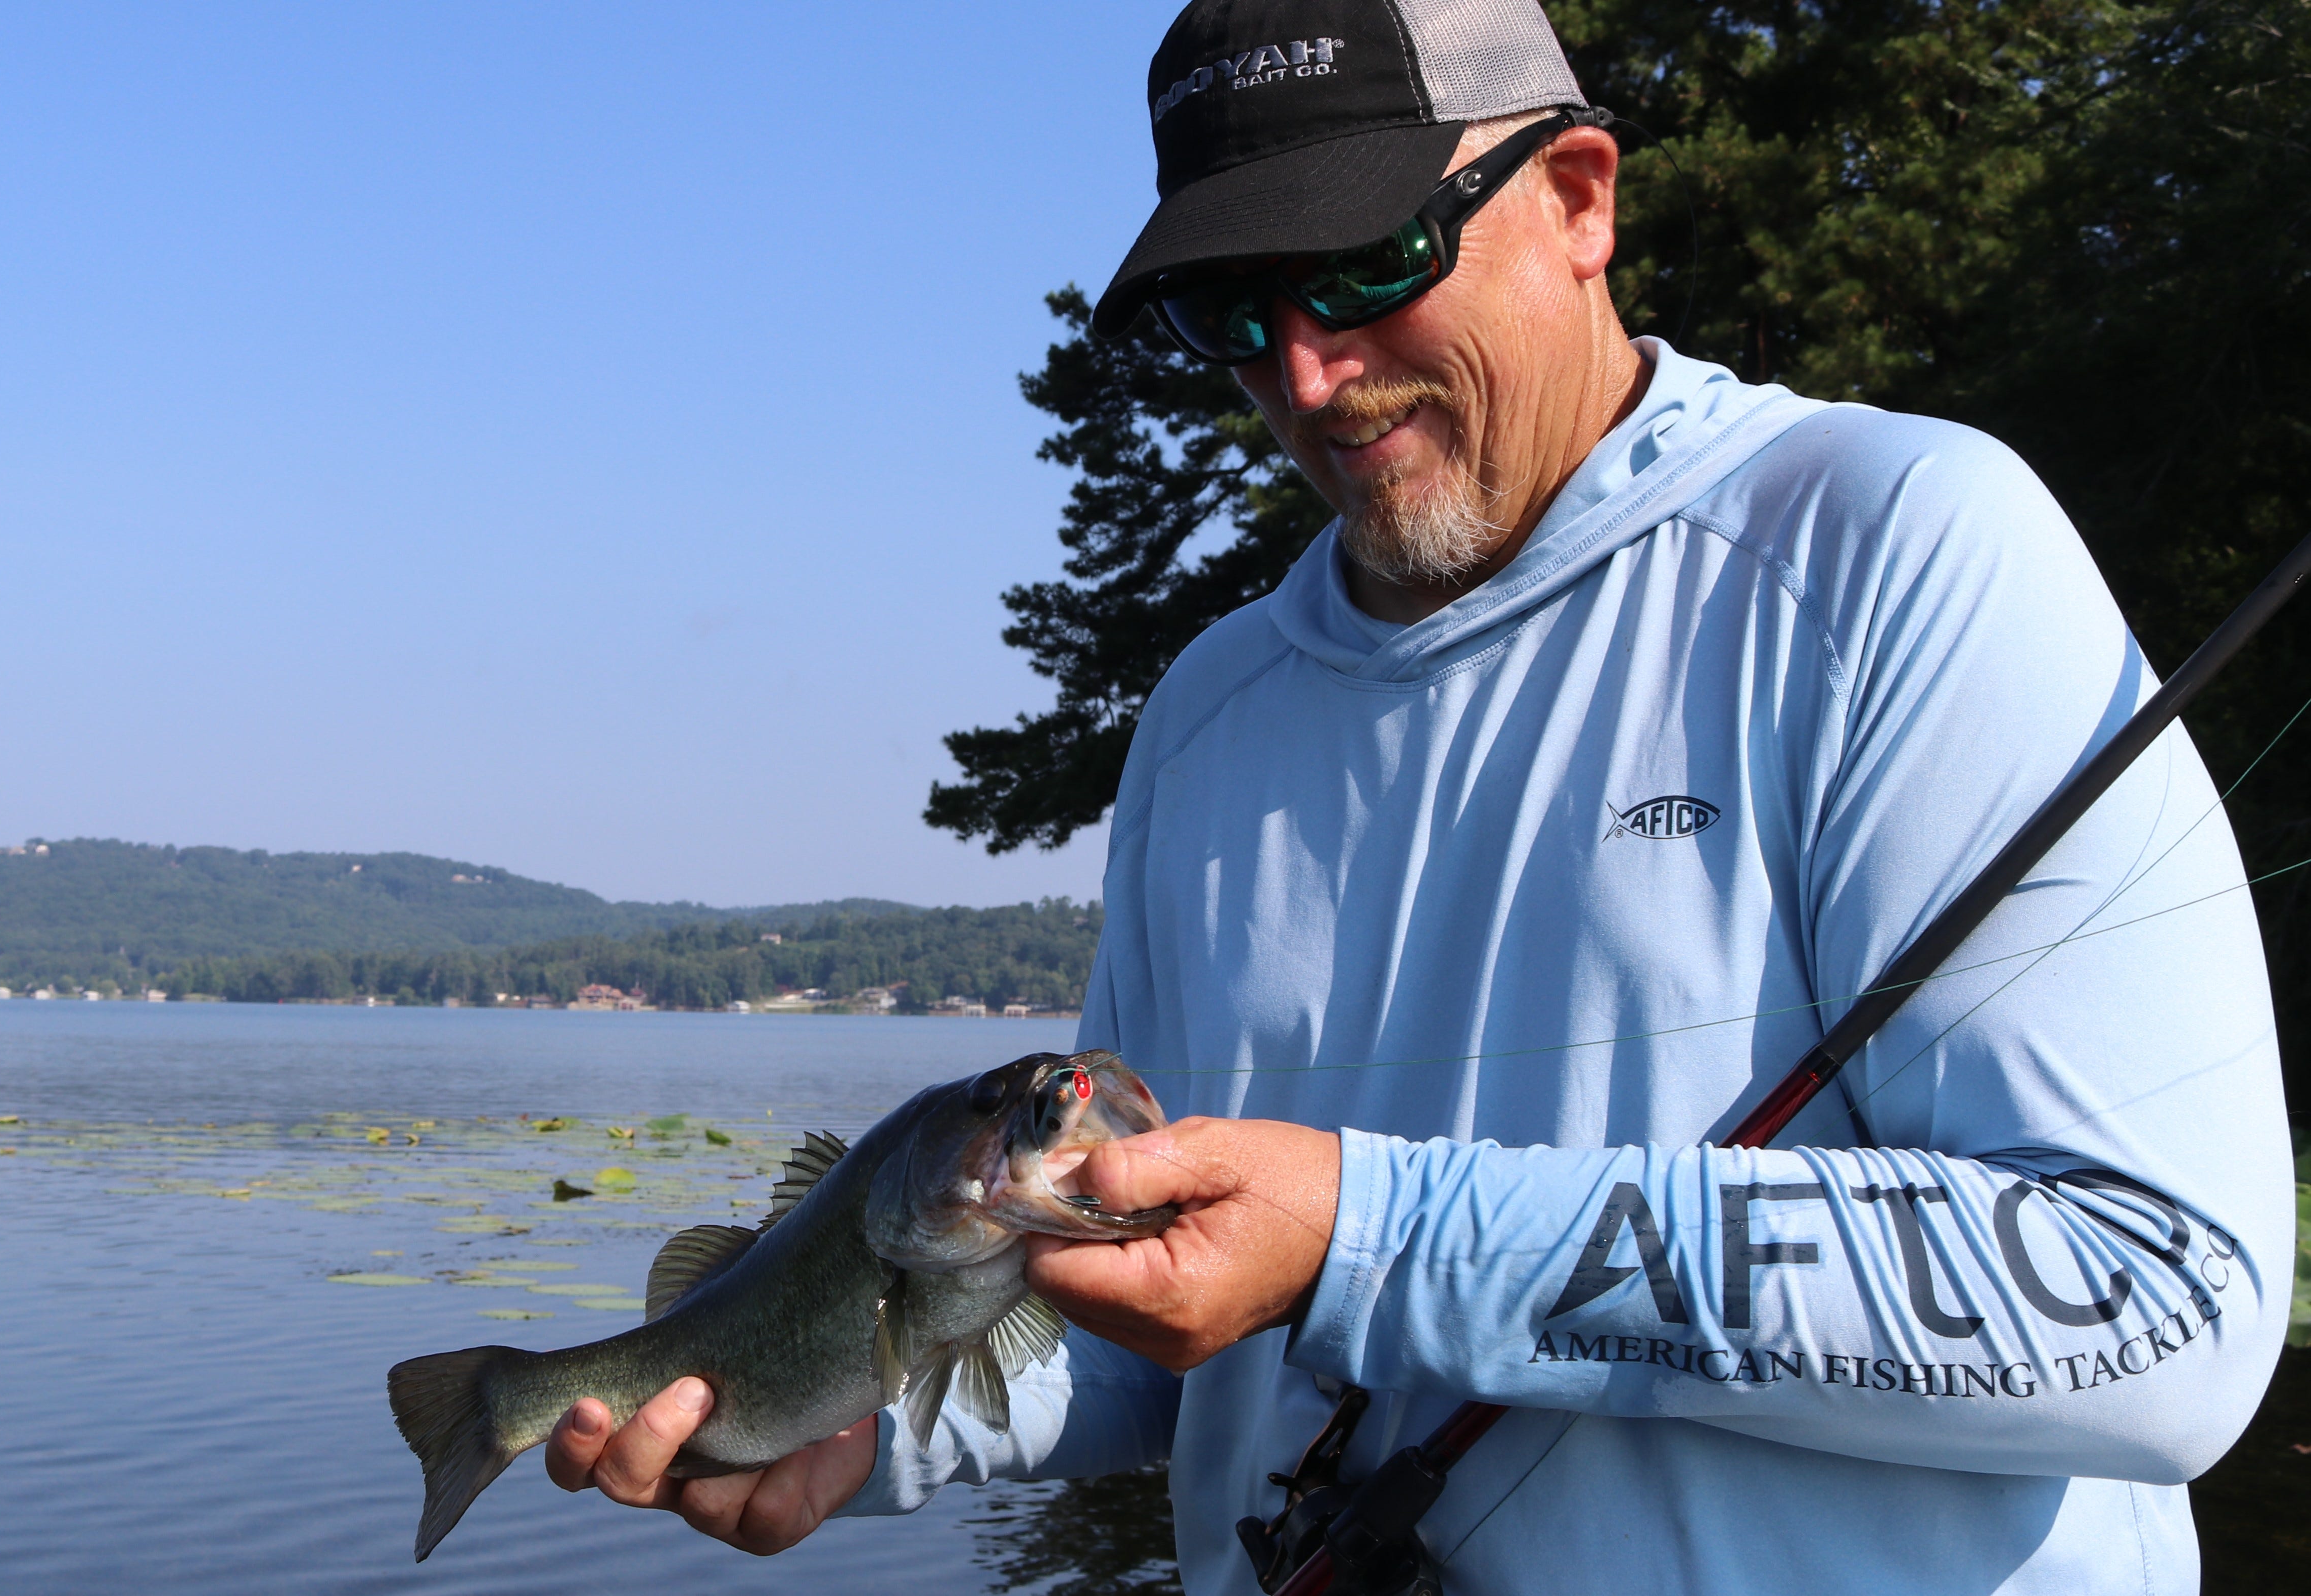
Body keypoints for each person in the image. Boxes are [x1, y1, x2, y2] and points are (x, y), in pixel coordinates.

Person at [544, 1, 2294, 1589]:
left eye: (1369, 263)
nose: (1305, 374)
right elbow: (1152, 1323)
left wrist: (1374, 1235)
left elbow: (2156, 1305)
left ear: (1582, 198)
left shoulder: (1893, 553)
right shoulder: (1212, 714)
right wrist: (878, 1425)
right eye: (1235, 312)